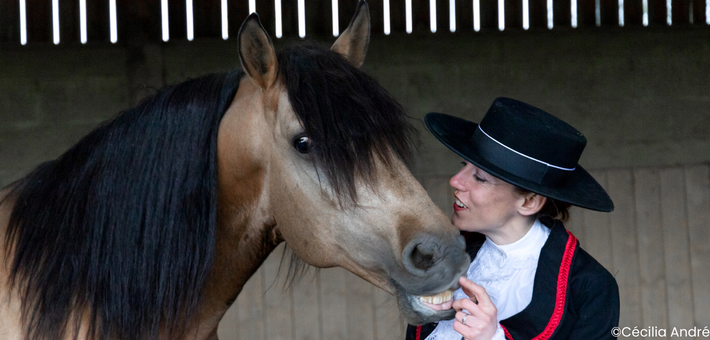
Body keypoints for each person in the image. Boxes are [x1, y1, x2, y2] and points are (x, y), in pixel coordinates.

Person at [406, 97, 619, 340]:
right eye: (464, 165)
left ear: (529, 202)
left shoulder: (590, 287)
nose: (455, 181)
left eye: (480, 178)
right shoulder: (441, 255)